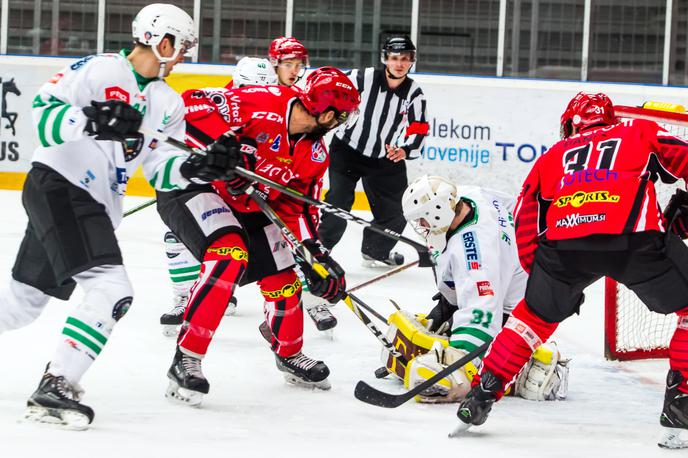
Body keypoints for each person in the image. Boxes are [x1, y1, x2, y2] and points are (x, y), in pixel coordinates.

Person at [0, 3, 211, 429]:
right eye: (182, 46)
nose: (184, 55)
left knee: (21, 304)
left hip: (88, 201)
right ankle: (55, 385)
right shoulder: (100, 70)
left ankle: (54, 383)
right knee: (111, 289)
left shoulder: (167, 102)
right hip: (62, 185)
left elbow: (160, 168)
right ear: (162, 41)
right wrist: (92, 120)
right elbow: (43, 118)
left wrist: (200, 167)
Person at [456, 92, 688, 448]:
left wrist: (542, 277)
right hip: (633, 242)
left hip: (563, 249)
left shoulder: (551, 156)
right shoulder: (638, 130)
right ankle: (681, 403)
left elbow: (524, 216)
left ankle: (481, 394)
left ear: (570, 123)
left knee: (531, 319)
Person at [156, 67, 360, 405]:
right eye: (340, 114)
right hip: (195, 186)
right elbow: (191, 105)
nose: (341, 121)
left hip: (249, 205)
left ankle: (289, 353)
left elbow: (299, 207)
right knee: (229, 254)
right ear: (324, 109)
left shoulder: (315, 153)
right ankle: (187, 356)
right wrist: (221, 147)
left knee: (283, 275)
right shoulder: (263, 101)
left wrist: (315, 255)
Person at [378, 175, 568, 403]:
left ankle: (530, 365)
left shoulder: (474, 254)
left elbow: (482, 314)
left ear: (437, 211)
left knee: (440, 358)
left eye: (423, 220)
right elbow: (515, 206)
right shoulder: (470, 195)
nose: (421, 227)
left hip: (515, 307)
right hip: (519, 278)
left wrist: (456, 360)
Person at [159, 56, 277, 336]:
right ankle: (184, 296)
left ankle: (226, 293)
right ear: (237, 85)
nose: (255, 97)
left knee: (262, 247)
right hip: (210, 188)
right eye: (248, 89)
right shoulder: (221, 104)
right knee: (178, 236)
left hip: (248, 194)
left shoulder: (277, 110)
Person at [318, 35, 429, 269]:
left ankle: (375, 250)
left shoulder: (414, 93)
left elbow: (419, 128)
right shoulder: (362, 77)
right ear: (385, 59)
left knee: (399, 209)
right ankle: (320, 252)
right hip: (347, 150)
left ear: (412, 61)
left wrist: (405, 150)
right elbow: (329, 90)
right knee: (338, 202)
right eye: (394, 58)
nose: (399, 64)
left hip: (384, 156)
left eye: (405, 59)